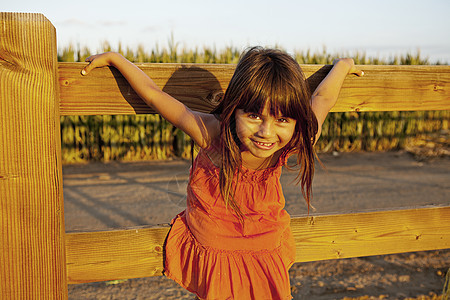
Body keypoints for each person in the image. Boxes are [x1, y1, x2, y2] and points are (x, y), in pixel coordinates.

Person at [81, 47, 363, 300]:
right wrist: (116, 59)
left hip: (264, 246)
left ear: (294, 120)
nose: (266, 132)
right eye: (253, 116)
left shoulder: (296, 136)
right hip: (217, 250)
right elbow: (156, 96)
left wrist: (342, 65)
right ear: (234, 108)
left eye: (281, 119)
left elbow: (322, 98)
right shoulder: (213, 133)